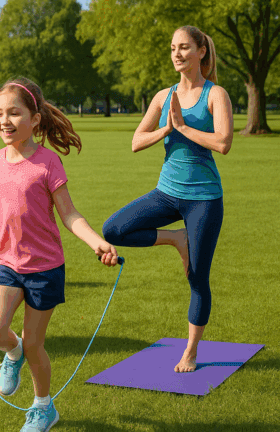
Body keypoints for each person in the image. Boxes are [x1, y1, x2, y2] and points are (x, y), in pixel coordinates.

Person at [0, 78, 119, 432]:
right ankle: (13, 351)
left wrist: (95, 241)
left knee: (36, 345)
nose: (4, 121)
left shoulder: (48, 163)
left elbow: (69, 214)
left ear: (34, 119)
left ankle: (42, 407)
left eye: (13, 113)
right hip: (7, 262)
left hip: (45, 267)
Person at [102, 26, 232, 374]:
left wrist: (184, 127)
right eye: (173, 48)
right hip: (166, 193)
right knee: (114, 230)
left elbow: (223, 142)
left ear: (201, 51)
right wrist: (167, 128)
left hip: (204, 199)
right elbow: (136, 141)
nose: (177, 53)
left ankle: (190, 351)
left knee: (197, 278)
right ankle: (176, 238)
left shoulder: (215, 94)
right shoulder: (163, 96)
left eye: (184, 47)